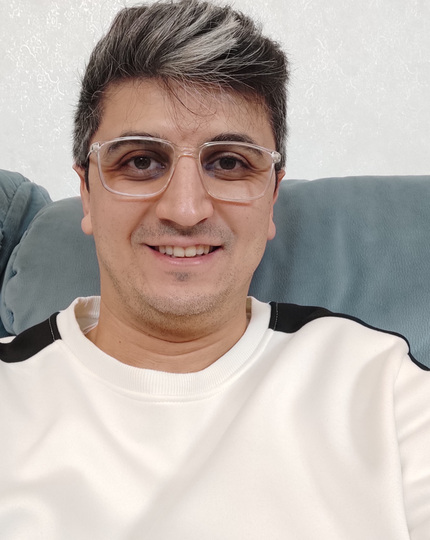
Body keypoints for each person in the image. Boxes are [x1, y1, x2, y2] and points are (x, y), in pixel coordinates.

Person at [0, 0, 429, 538]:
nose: (185, 210)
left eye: (228, 163)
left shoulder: (382, 387)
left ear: (272, 197)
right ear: (87, 192)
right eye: (140, 161)